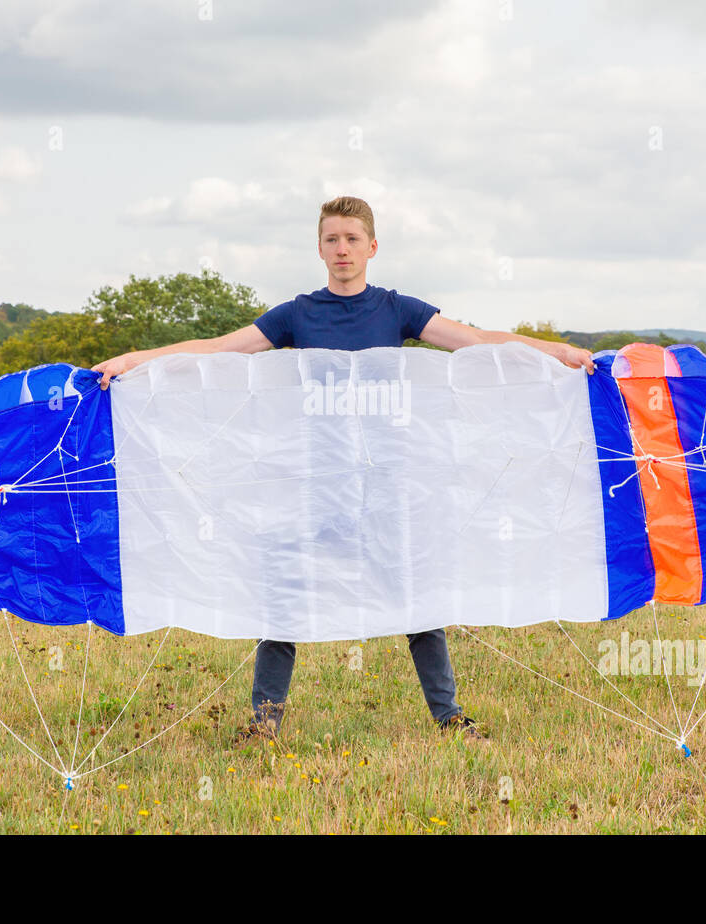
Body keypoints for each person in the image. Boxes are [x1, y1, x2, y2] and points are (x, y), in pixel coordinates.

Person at [93, 196, 596, 742]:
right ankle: (264, 722)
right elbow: (218, 351)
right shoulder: (297, 314)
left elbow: (477, 344)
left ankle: (448, 716)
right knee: (284, 595)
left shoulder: (397, 309)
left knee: (416, 598)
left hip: (387, 482)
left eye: (352, 239)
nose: (342, 249)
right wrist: (131, 362)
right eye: (332, 239)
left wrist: (554, 350)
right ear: (319, 249)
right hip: (314, 481)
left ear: (372, 247)